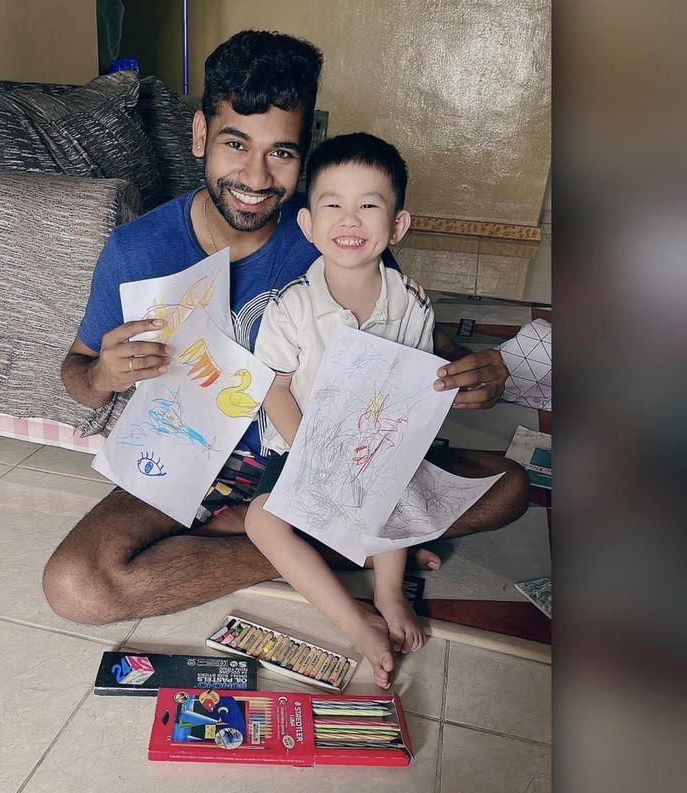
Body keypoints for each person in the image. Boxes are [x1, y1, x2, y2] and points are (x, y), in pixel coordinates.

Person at [43, 30, 527, 626]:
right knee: (78, 586)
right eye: (235, 143)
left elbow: (411, 341)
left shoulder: (332, 235)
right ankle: (318, 548)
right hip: (194, 460)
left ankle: (295, 539)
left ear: (306, 155)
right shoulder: (137, 249)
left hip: (333, 455)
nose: (255, 175)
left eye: (282, 152)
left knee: (509, 486)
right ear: (200, 135)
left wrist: (474, 372)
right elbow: (76, 374)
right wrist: (102, 374)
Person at [246, 133, 459, 687]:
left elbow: (415, 389)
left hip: (375, 446)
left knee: (395, 491)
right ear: (307, 224)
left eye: (369, 205)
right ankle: (356, 619)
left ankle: (389, 593)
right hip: (300, 448)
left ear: (397, 226)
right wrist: (312, 455)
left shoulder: (411, 304)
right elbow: (273, 388)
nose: (349, 218)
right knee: (261, 521)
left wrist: (379, 454)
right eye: (332, 204)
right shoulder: (291, 305)